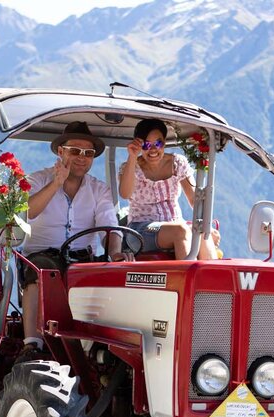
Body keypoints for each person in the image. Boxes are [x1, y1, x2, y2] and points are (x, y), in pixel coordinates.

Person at [17, 121, 116, 359]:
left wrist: (116, 253)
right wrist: (56, 183)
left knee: (115, 274)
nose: (82, 158)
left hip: (82, 257)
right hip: (42, 254)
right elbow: (28, 211)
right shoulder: (39, 180)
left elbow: (110, 228)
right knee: (44, 269)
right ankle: (31, 345)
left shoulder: (99, 189)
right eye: (75, 151)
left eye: (88, 153)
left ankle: (103, 345)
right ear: (61, 152)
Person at [116, 119, 216, 261]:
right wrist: (132, 157)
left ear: (164, 143)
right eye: (146, 145)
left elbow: (195, 200)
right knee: (180, 231)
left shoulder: (177, 163)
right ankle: (187, 280)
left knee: (199, 231)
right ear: (139, 145)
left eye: (158, 143)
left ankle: (211, 279)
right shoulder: (131, 167)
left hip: (175, 223)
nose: (153, 150)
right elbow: (125, 194)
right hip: (141, 229)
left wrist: (206, 227)